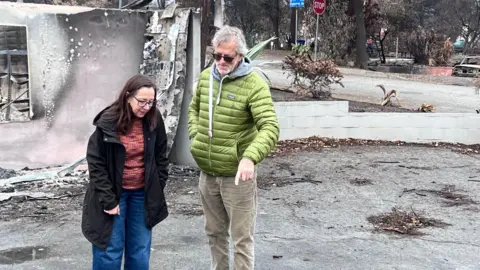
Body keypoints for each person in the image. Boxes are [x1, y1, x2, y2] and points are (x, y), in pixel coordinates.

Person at [188, 25, 280, 269]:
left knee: (242, 239)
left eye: (227, 57)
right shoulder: (207, 77)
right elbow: (194, 109)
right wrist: (195, 137)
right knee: (214, 234)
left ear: (240, 55)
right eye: (216, 55)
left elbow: (270, 127)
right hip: (207, 174)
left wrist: (249, 157)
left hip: (237, 178)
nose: (220, 61)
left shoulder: (254, 84)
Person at [81, 74, 169, 270]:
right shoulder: (108, 121)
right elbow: (96, 163)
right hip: (113, 195)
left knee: (139, 252)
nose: (146, 107)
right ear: (128, 96)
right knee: (109, 252)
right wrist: (108, 200)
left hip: (142, 194)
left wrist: (156, 187)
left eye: (151, 102)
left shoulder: (154, 120)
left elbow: (161, 156)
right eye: (142, 101)